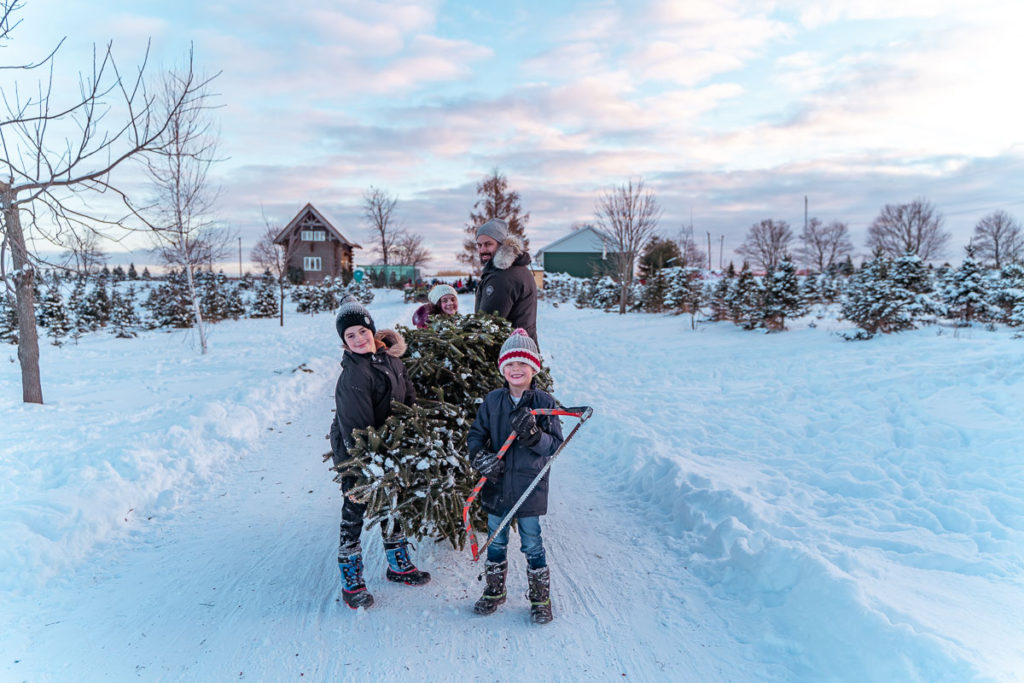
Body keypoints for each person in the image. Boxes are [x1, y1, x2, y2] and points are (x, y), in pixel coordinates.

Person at [328, 295, 431, 609]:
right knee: (355, 508)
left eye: (362, 331)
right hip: (357, 452)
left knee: (392, 502)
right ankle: (351, 578)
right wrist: (370, 459)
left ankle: (398, 563)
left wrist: (412, 432)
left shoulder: (392, 361)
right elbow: (357, 429)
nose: (358, 339)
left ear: (372, 330)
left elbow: (408, 399)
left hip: (390, 447)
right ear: (344, 342)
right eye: (350, 336)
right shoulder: (354, 376)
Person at [467, 328, 564, 624]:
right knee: (495, 541)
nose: (516, 369)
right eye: (510, 364)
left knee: (532, 541)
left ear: (533, 367)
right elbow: (476, 436)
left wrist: (534, 436)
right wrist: (481, 459)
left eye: (522, 364)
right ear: (502, 369)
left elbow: (554, 445)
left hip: (529, 487)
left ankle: (540, 599)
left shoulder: (544, 402)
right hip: (496, 486)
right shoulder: (493, 401)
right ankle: (495, 591)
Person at [474, 218, 538, 344]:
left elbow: (486, 326)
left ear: (501, 244)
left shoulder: (502, 277)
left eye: (488, 244)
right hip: (523, 350)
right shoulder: (517, 268)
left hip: (511, 354)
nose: (482, 250)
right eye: (479, 245)